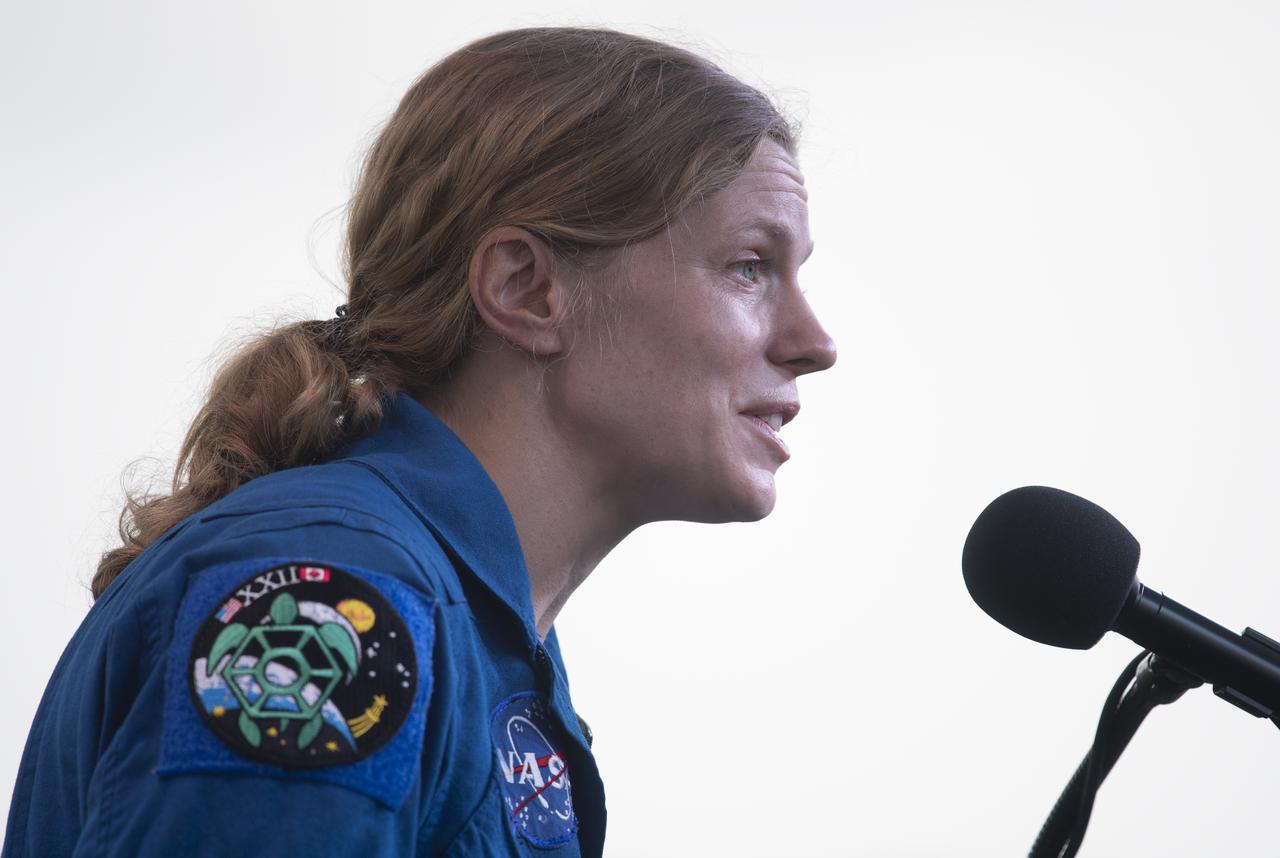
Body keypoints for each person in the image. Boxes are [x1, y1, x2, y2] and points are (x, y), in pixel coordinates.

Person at [2, 25, 835, 858]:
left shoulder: (462, 620)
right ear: (526, 288)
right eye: (749, 266)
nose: (815, 343)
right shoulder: (339, 593)